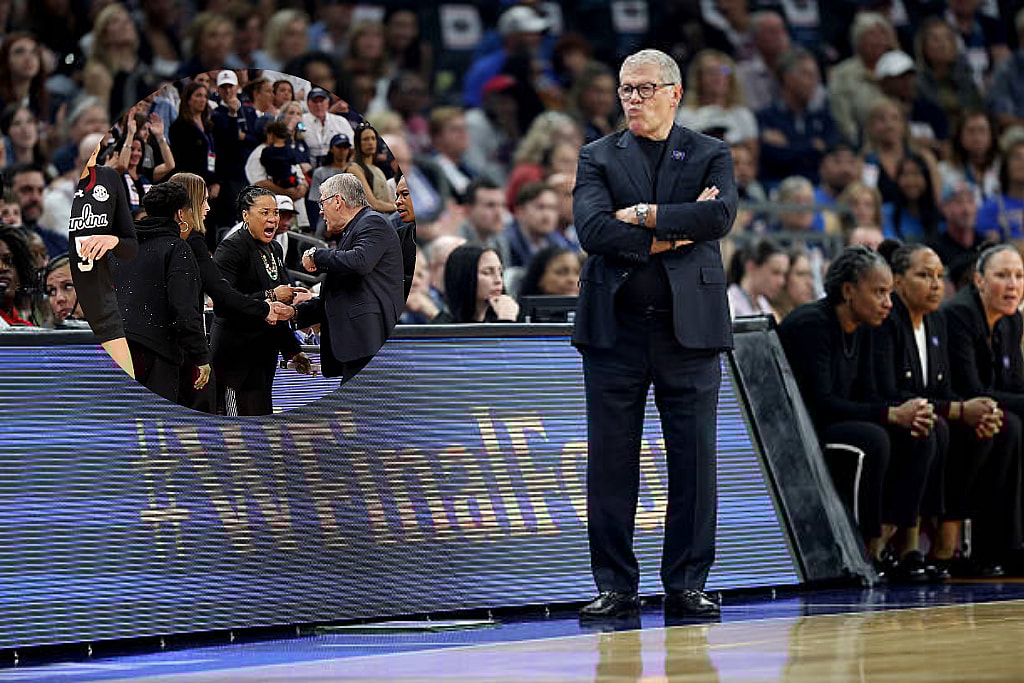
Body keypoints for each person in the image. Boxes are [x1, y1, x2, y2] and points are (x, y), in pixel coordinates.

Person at [572, 49, 738, 620]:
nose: (633, 99)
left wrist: (640, 215)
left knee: (694, 462)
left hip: (688, 331)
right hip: (613, 331)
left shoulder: (711, 152)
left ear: (675, 92)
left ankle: (686, 583)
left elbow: (718, 218)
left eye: (644, 89)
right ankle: (616, 585)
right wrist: (673, 228)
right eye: (625, 89)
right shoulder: (596, 156)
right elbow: (592, 229)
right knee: (611, 463)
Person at [777, 246, 940, 578]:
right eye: (879, 292)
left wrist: (910, 410)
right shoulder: (812, 324)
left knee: (921, 432)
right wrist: (891, 414)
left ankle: (891, 544)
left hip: (837, 420)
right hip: (799, 432)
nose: (888, 303)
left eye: (889, 293)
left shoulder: (867, 326)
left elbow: (873, 393)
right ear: (849, 291)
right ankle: (856, 550)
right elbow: (821, 403)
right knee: (873, 439)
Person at [876, 241, 1017, 577]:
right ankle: (903, 546)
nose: (936, 284)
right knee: (934, 428)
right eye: (924, 275)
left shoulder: (935, 322)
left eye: (939, 276)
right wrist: (959, 409)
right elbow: (893, 391)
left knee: (992, 425)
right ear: (897, 281)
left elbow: (944, 388)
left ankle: (972, 545)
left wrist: (972, 408)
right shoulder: (889, 322)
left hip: (930, 412)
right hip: (896, 415)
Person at [943, 244, 1024, 574]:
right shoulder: (959, 315)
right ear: (978, 280)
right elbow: (971, 389)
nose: (1012, 285)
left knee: (1015, 423)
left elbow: (1014, 385)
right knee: (1011, 427)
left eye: (1019, 276)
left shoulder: (1011, 319)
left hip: (990, 410)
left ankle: (1012, 542)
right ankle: (992, 547)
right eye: (1002, 275)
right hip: (956, 413)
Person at [295, 173, 404, 381]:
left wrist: (316, 255)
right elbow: (340, 294)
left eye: (322, 203)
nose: (320, 211)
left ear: (337, 201)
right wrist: (295, 313)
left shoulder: (373, 222)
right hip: (358, 347)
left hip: (370, 346)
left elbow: (360, 261)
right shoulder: (353, 231)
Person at [212, 186, 311, 415]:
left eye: (275, 213)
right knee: (234, 433)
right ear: (246, 215)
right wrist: (271, 296)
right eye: (265, 212)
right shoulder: (230, 248)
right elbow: (223, 302)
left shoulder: (275, 248)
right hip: (235, 358)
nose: (273, 219)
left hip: (263, 357)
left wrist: (292, 350)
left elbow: (280, 309)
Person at [110, 182, 211, 404]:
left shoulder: (119, 247)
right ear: (180, 214)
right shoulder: (177, 248)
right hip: (155, 353)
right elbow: (184, 309)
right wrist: (200, 355)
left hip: (113, 348)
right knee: (154, 429)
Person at [68, 140, 139, 377]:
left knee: (129, 395)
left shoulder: (109, 178)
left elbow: (131, 246)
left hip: (102, 303)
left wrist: (113, 241)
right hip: (62, 301)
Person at [431, 245, 519, 323]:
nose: (498, 280)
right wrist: (506, 322)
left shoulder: (502, 315)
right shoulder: (444, 327)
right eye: (487, 272)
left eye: (500, 273)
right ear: (465, 277)